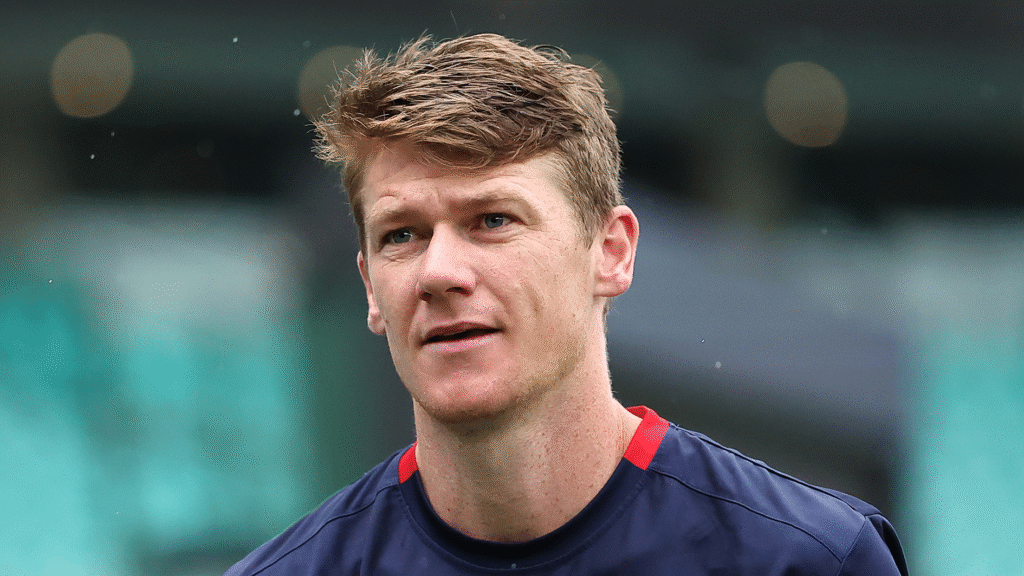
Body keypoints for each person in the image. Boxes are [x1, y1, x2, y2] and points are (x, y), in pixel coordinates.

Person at [224, 33, 908, 575]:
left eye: (492, 220)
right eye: (401, 234)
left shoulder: (806, 559)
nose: (438, 272)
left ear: (611, 253)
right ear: (371, 287)